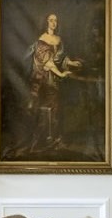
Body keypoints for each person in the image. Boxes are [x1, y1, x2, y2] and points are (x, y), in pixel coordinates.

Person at [27, 12, 81, 150]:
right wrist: (62, 74)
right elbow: (48, 63)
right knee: (46, 110)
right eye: (51, 20)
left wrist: (72, 62)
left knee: (57, 109)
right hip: (44, 80)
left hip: (55, 80)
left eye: (55, 20)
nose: (53, 23)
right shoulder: (41, 40)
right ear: (46, 22)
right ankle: (43, 140)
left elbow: (60, 59)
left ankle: (56, 139)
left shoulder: (59, 39)